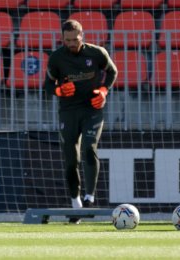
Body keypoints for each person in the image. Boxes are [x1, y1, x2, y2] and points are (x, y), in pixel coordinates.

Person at [44, 19, 118, 224]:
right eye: (68, 40)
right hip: (68, 111)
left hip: (92, 109)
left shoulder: (97, 53)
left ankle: (90, 198)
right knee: (70, 158)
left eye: (75, 39)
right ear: (62, 39)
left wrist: (104, 91)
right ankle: (76, 204)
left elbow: (112, 71)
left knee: (89, 147)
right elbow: (48, 85)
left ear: (82, 36)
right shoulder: (56, 58)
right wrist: (58, 90)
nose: (72, 44)